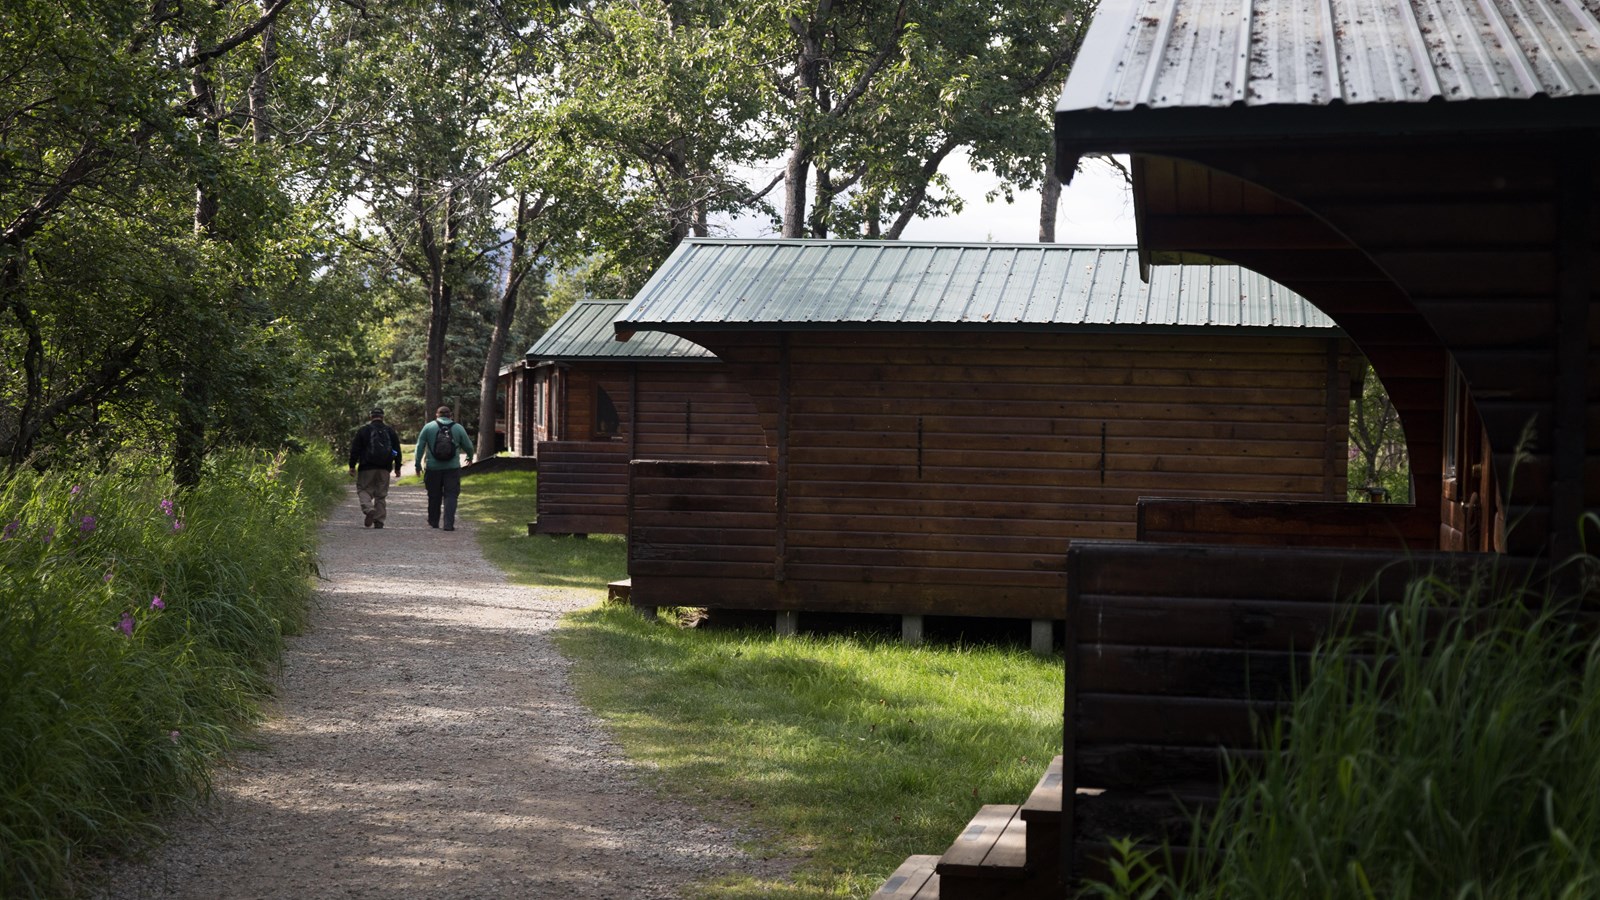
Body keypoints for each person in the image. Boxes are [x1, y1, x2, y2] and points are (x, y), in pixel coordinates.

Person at [414, 405, 474, 531]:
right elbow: (468, 445)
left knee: (434, 495)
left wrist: (417, 464)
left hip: (432, 468)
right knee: (451, 495)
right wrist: (469, 457)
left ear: (437, 415)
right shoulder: (458, 428)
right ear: (450, 415)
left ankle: (434, 522)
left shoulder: (429, 427)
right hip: (452, 468)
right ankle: (448, 524)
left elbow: (420, 446)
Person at [348, 408, 403, 529]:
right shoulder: (390, 431)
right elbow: (396, 450)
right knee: (381, 495)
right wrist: (397, 467)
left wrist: (352, 466)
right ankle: (379, 521)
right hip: (384, 468)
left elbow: (355, 450)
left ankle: (368, 509)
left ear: (370, 417)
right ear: (382, 417)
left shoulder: (364, 430)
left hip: (366, 467)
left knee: (363, 489)